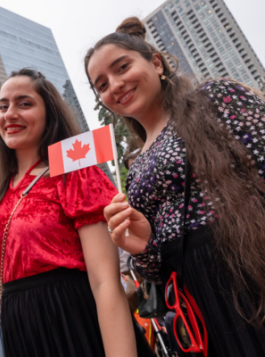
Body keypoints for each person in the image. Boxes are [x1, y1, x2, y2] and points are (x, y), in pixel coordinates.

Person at [0, 68, 154, 357]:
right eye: (3, 107)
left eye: (24, 103)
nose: (9, 114)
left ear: (49, 114)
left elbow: (105, 281)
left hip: (75, 317)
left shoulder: (74, 173)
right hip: (20, 323)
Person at [85, 16, 265, 356]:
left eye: (122, 67)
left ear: (156, 62)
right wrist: (141, 247)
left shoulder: (215, 98)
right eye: (102, 84)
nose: (115, 85)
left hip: (253, 270)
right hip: (199, 304)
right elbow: (157, 272)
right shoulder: (135, 168)